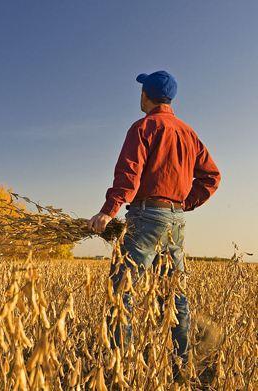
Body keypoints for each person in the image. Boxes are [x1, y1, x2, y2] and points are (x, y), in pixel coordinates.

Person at [87, 70, 221, 378]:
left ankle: (119, 373)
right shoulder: (188, 133)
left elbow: (129, 174)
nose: (140, 97)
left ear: (146, 95)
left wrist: (109, 211)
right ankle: (183, 369)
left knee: (121, 291)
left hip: (145, 216)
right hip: (175, 221)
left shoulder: (143, 127)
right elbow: (212, 177)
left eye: (141, 92)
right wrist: (183, 204)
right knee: (174, 296)